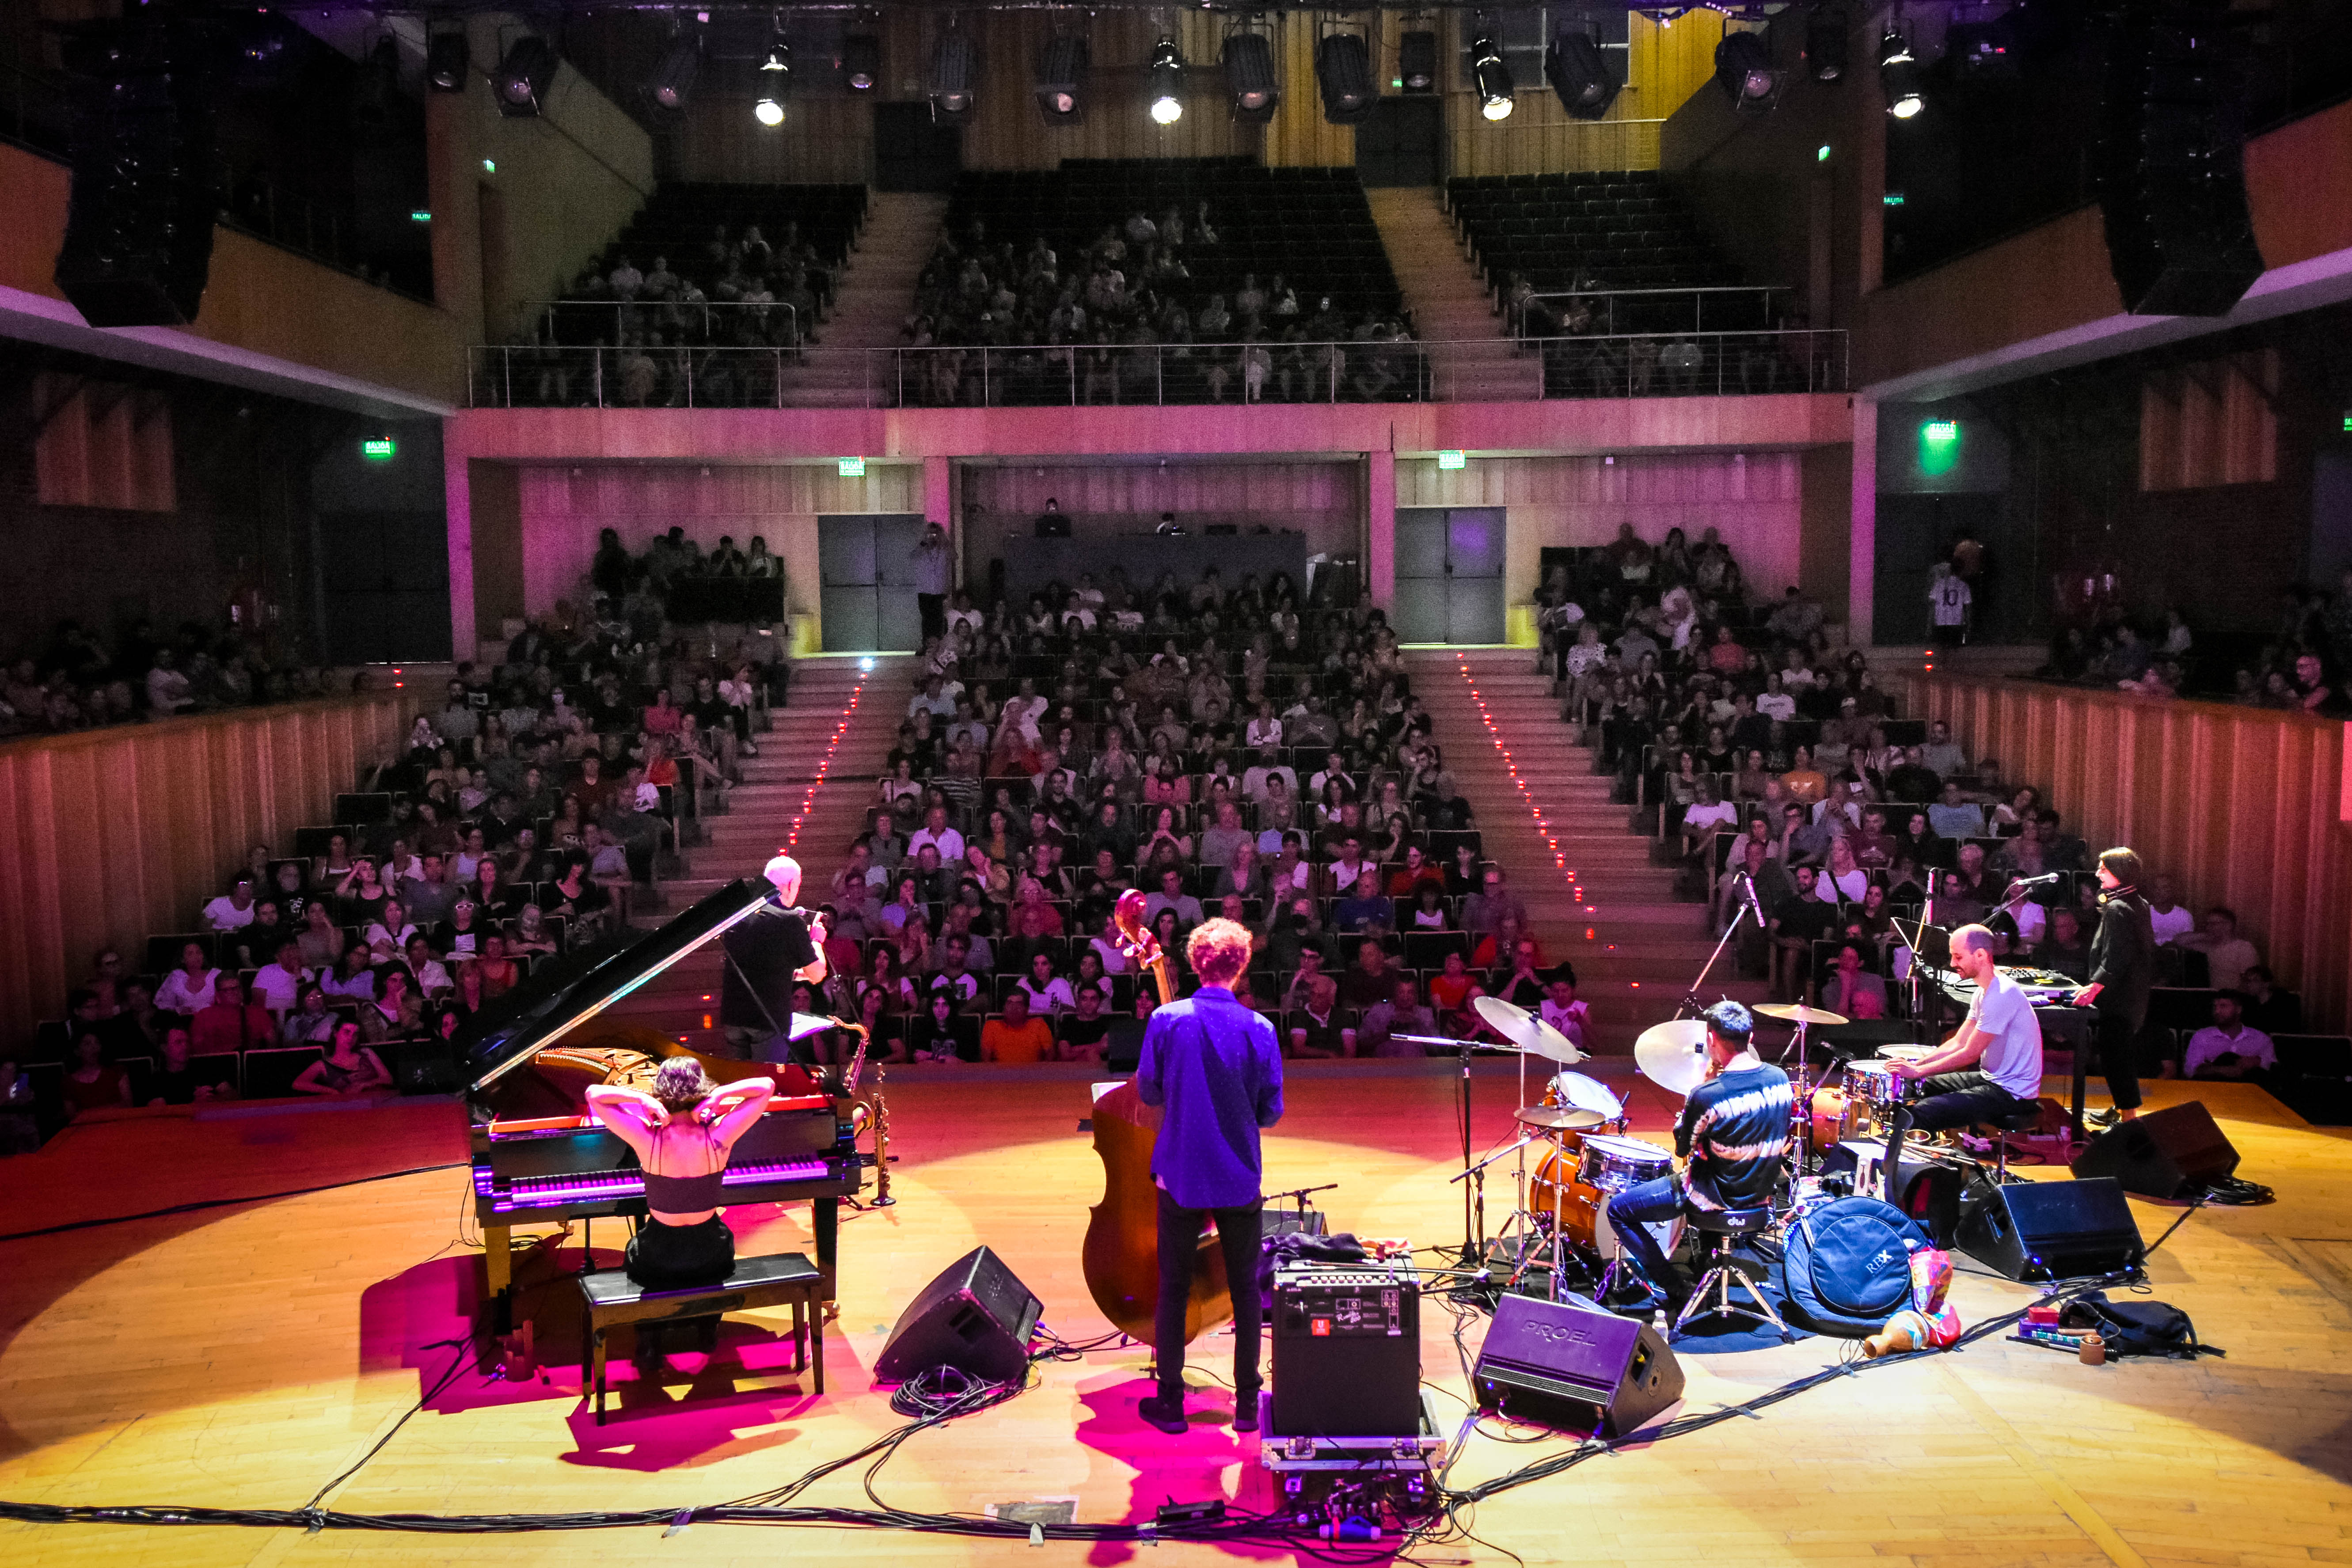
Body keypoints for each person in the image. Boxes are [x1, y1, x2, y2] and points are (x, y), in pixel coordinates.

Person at [1134, 917, 1284, 1435]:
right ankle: (1246, 1405)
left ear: (1195, 964)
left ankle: (1171, 1403)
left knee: (1173, 1288)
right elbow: (1270, 1113)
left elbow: (1149, 1092)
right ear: (1241, 966)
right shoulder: (1260, 1030)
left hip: (1179, 1173)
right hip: (1238, 1175)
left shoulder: (1166, 1020)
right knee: (1245, 1291)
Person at [1602, 1002, 1788, 1314]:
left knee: (1619, 1210)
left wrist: (1700, 1088)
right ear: (1751, 1037)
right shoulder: (1780, 1078)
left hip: (1716, 1196)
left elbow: (1682, 1146)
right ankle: (1707, 1264)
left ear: (1711, 1039)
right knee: (1717, 1164)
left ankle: (1674, 1286)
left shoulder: (1708, 1094)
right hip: (1759, 1197)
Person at [586, 1059, 775, 1361]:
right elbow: (766, 1086)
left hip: (658, 1257)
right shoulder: (720, 1135)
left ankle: (649, 1338)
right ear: (702, 1089)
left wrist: (641, 1098)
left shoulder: (647, 1138)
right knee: (723, 1242)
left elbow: (593, 1095)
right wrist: (720, 1095)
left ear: (660, 1091)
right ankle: (707, 1328)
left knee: (634, 1249)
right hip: (709, 1253)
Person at [1885, 923, 2043, 1175]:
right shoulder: (1983, 992)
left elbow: (1969, 1054)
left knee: (1922, 1112)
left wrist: (1918, 1071)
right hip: (1993, 1080)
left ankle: (1922, 1177)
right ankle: (1922, 1166)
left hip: (2013, 1094)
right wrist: (1917, 1066)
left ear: (1980, 955)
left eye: (1958, 957)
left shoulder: (2002, 994)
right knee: (1914, 1088)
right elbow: (1958, 1042)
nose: (1952, 964)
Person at [2074, 848, 2155, 1128]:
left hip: (2118, 998)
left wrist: (2094, 987)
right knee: (2117, 1055)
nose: (2098, 873)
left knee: (2116, 1058)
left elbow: (2116, 957)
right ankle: (2121, 1109)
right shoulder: (2138, 902)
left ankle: (2129, 1120)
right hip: (2132, 996)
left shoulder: (2118, 908)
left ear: (2119, 873)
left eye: (2104, 869)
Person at [719, 855, 829, 1059]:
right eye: (798, 886)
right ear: (790, 885)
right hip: (767, 1020)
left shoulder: (739, 915)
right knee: (767, 1078)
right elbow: (817, 975)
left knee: (740, 1077)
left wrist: (796, 975)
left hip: (733, 1018)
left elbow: (762, 967)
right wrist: (816, 940)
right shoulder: (789, 921)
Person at [2182, 991, 2275, 1081]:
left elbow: (2274, 1073)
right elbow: (2190, 1071)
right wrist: (2221, 1070)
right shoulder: (2202, 1036)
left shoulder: (2261, 1039)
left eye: (2223, 1006)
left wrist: (2257, 1062)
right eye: (2215, 1007)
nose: (2217, 1011)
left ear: (2239, 1010)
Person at [292, 1020, 392, 1098]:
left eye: (355, 1034)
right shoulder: (323, 1065)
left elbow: (388, 1079)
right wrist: (331, 1091)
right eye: (347, 1032)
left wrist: (365, 1085)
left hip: (376, 1103)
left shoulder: (366, 1053)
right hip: (345, 1108)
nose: (351, 1038)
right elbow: (298, 1083)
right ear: (336, 1033)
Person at [981, 988, 1057, 1063]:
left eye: (1019, 1004)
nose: (1014, 1008)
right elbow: (986, 1061)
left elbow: (1051, 1054)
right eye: (1010, 1003)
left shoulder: (1039, 1025)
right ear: (1004, 1007)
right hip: (1000, 1071)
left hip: (1033, 1071)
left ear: (1027, 1009)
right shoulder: (991, 1026)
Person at [910, 522, 953, 644]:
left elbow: (955, 556)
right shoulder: (922, 549)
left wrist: (945, 540)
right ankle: (927, 645)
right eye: (931, 534)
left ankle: (938, 645)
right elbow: (913, 556)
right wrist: (924, 542)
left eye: (935, 533)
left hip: (939, 590)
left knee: (939, 619)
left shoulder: (944, 550)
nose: (933, 536)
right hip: (925, 590)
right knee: (926, 620)